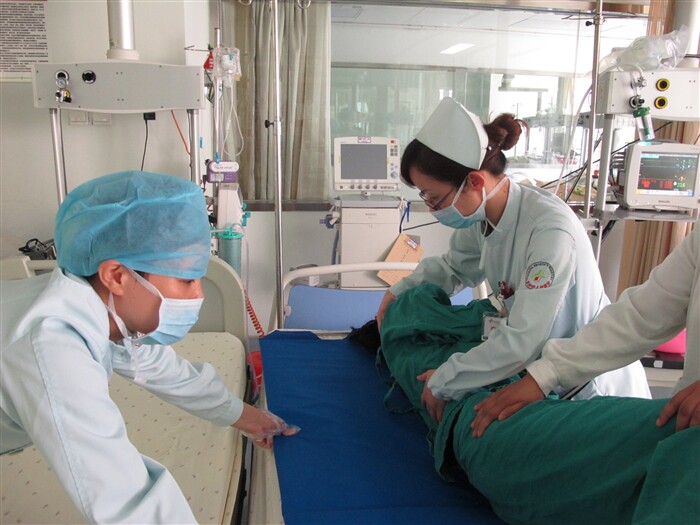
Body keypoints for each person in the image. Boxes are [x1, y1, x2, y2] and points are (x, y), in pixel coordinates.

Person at [0, 171, 297, 524]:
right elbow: (123, 496)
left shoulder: (98, 311)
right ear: (116, 276)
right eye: (187, 280)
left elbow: (160, 368)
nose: (199, 294)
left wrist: (247, 417)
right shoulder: (52, 349)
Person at [376, 97, 649, 423]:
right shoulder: (485, 214)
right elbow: (454, 267)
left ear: (475, 181)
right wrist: (398, 291)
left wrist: (446, 379)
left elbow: (523, 338)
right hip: (536, 372)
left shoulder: (549, 231)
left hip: (589, 388)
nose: (432, 209)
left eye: (434, 198)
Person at [471, 223, 699, 437]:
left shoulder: (553, 229)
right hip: (681, 421)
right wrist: (544, 374)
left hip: (598, 387)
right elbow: (641, 314)